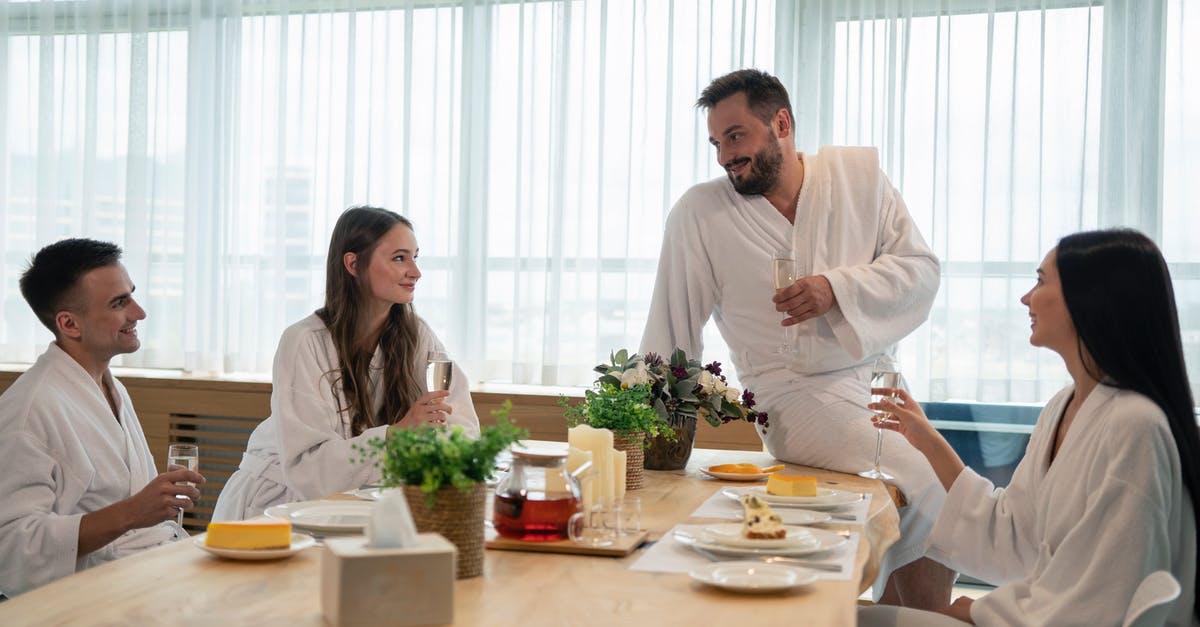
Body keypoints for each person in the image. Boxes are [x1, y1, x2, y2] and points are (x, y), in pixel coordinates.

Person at [639, 68, 953, 607]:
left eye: (735, 137)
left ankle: (898, 617)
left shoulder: (860, 181)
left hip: (873, 383)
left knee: (947, 489)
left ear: (781, 123)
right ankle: (925, 617)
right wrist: (655, 428)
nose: (723, 157)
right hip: (788, 395)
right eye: (715, 143)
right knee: (924, 474)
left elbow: (921, 270)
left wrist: (838, 288)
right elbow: (672, 324)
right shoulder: (700, 212)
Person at [860, 229, 1199, 626]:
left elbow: (1107, 597)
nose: (1025, 298)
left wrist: (983, 610)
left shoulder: (1135, 426)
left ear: (1087, 299)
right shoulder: (1064, 406)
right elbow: (1015, 535)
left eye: (1040, 281)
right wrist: (927, 440)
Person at [214, 207, 480, 521]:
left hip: (358, 502)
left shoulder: (417, 336)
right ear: (353, 264)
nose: (415, 272)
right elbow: (309, 469)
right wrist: (396, 437)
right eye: (399, 258)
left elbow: (462, 425)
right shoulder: (304, 341)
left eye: (415, 257)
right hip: (278, 505)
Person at [0, 239, 204, 596]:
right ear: (69, 323)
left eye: (132, 296)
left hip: (144, 570)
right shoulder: (29, 410)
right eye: (119, 303)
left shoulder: (110, 387)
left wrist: (150, 507)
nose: (139, 313)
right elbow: (13, 545)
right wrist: (132, 512)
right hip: (87, 595)